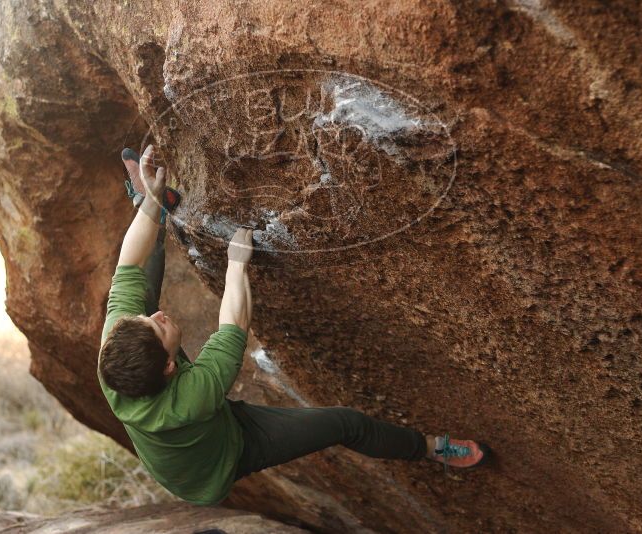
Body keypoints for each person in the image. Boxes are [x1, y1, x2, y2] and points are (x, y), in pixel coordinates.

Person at [97, 144, 488, 506]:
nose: (159, 317)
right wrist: (236, 262)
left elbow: (127, 266)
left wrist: (150, 198)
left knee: (138, 291)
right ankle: (431, 448)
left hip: (187, 418)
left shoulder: (115, 354)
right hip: (224, 457)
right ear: (170, 367)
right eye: (159, 329)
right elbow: (234, 323)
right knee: (345, 423)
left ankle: (153, 206)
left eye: (147, 322)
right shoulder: (193, 395)